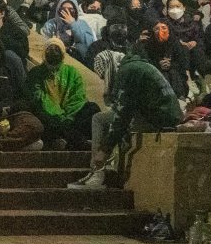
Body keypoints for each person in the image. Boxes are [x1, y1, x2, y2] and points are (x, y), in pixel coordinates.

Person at [73, 50, 182, 189]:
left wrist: (104, 150)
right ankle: (108, 168)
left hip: (159, 119)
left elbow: (123, 114)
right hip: (166, 115)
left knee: (99, 119)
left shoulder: (128, 71)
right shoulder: (137, 65)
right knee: (112, 123)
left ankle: (97, 172)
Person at [25, 38, 101, 150]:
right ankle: (76, 141)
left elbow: (78, 98)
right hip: (50, 117)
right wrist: (60, 117)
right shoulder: (36, 74)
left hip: (70, 118)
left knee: (92, 108)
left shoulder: (72, 72)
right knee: (38, 114)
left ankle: (66, 139)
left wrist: (68, 118)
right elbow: (40, 99)